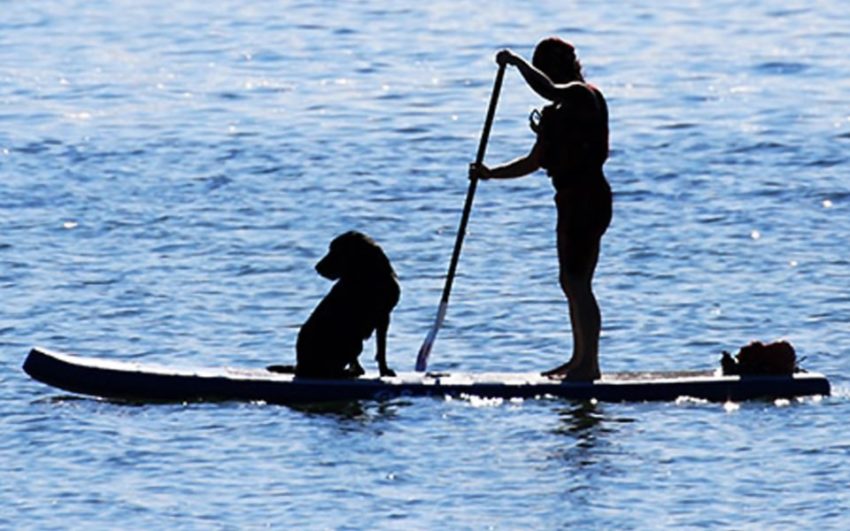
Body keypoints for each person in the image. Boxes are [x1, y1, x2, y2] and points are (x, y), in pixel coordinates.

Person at [470, 38, 611, 381]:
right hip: (568, 199)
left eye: (547, 67)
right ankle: (578, 360)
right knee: (570, 281)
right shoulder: (554, 114)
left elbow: (548, 89)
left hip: (589, 197)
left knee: (579, 282)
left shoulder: (582, 94)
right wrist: (490, 173)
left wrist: (517, 64)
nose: (545, 74)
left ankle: (589, 366)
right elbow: (533, 162)